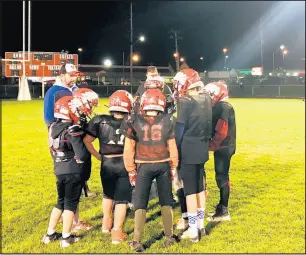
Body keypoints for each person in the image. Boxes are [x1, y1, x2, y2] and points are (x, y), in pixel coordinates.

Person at [122, 89, 179, 252]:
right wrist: (173, 166)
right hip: (163, 164)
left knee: (140, 202)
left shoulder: (133, 120)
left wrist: (130, 170)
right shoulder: (168, 120)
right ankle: (169, 236)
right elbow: (172, 147)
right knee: (166, 200)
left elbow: (128, 149)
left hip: (143, 166)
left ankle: (137, 240)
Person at [42, 90, 97, 248]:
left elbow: (52, 150)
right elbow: (81, 154)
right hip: (72, 171)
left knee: (60, 202)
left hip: (59, 169)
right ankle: (66, 238)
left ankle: (50, 234)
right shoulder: (72, 130)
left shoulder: (53, 127)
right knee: (70, 204)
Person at [83, 90, 134, 245]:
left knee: (108, 195)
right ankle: (117, 232)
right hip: (124, 164)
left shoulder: (100, 120)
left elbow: (87, 140)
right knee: (122, 200)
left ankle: (106, 224)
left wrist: (98, 156)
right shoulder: (132, 123)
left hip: (107, 163)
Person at [173, 68, 212, 242]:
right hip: (202, 147)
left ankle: (194, 230)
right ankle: (201, 226)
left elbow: (180, 128)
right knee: (199, 189)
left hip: (187, 148)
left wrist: (175, 147)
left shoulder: (185, 100)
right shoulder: (207, 98)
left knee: (189, 191)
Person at [203, 81, 236, 222]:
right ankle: (222, 206)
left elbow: (221, 130)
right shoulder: (223, 106)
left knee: (221, 176)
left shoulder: (223, 107)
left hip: (223, 146)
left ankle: (224, 210)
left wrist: (212, 144)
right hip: (225, 145)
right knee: (222, 175)